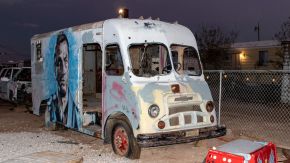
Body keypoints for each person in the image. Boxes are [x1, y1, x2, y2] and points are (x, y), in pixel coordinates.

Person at [47, 33, 82, 129]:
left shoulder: (76, 111)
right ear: (54, 67)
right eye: (59, 62)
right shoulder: (51, 103)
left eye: (66, 61)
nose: (63, 70)